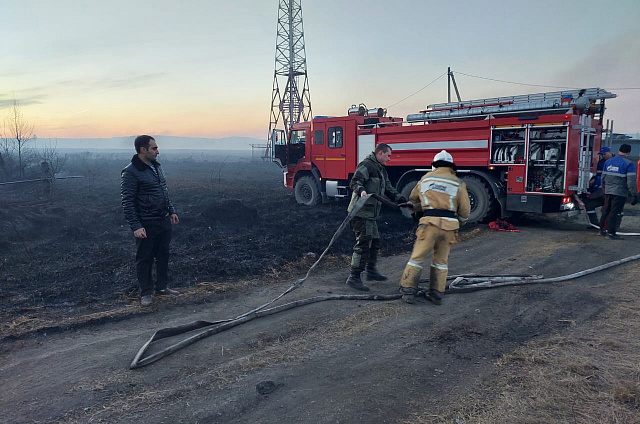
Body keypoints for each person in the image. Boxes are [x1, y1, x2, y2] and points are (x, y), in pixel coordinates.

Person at [399, 150, 470, 304]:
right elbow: (465, 210)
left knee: (417, 258)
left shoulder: (425, 179)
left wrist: (417, 208)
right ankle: (436, 293)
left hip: (428, 224)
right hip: (449, 227)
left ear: (434, 164)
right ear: (451, 166)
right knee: (440, 261)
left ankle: (408, 290)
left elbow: (414, 201)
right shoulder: (457, 183)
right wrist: (461, 221)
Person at [121, 135, 180, 306]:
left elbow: (164, 191)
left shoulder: (157, 167)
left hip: (162, 220)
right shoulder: (130, 172)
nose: (157, 151)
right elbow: (127, 202)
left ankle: (161, 287)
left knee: (163, 255)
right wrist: (136, 226)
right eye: (154, 148)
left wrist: (171, 211)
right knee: (144, 258)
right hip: (146, 223)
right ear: (142, 149)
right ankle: (145, 293)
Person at [345, 143, 408, 291]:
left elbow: (388, 188)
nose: (389, 159)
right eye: (388, 155)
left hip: (370, 214)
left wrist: (402, 200)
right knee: (363, 242)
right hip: (360, 212)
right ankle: (353, 277)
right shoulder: (367, 165)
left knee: (375, 241)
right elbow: (355, 181)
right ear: (380, 153)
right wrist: (361, 191)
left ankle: (371, 271)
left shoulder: (380, 170)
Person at [599, 143, 637, 240]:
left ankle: (602, 231)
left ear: (619, 150)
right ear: (629, 152)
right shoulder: (629, 163)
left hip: (608, 191)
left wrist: (604, 190)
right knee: (615, 212)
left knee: (605, 211)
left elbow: (603, 177)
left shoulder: (608, 162)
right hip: (620, 192)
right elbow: (631, 181)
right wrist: (634, 194)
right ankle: (611, 233)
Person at [580, 146, 612, 227]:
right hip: (602, 192)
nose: (603, 156)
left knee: (608, 208)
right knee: (590, 206)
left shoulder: (614, 162)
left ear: (609, 153)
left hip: (609, 192)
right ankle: (594, 224)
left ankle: (610, 226)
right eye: (602, 154)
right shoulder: (600, 163)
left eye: (604, 154)